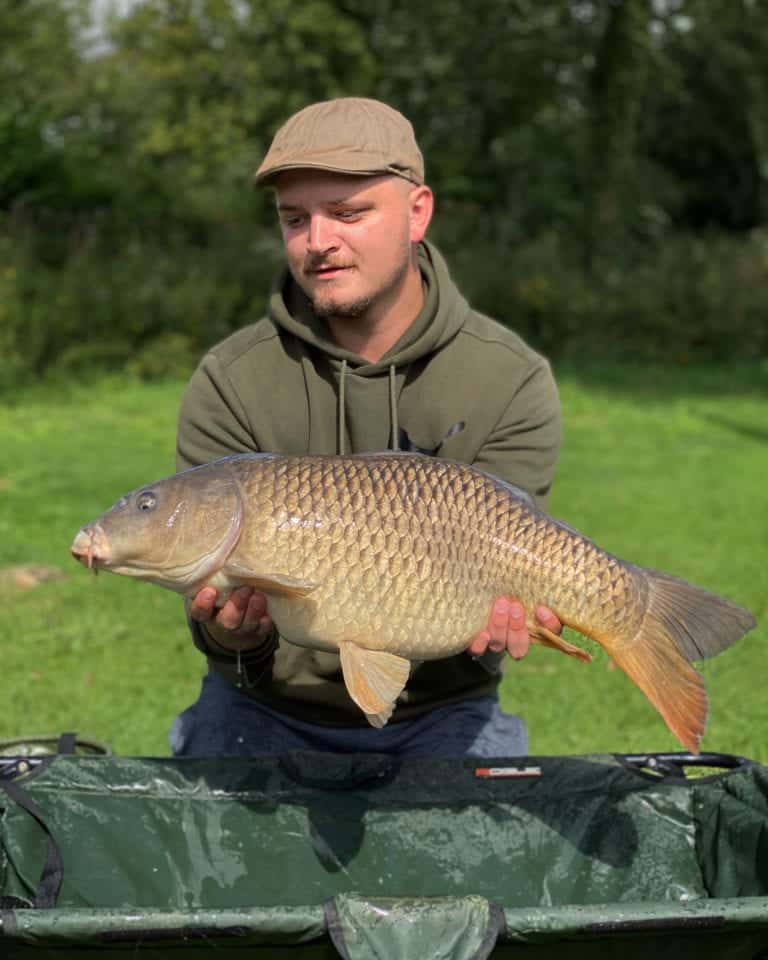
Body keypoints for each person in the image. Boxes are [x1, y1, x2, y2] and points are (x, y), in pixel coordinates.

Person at [170, 97, 562, 759]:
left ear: (418, 213)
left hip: (443, 710)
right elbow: (216, 622)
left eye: (349, 213)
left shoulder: (508, 376)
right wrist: (233, 637)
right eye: (296, 219)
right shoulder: (229, 380)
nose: (319, 241)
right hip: (264, 706)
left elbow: (514, 551)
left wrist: (510, 611)